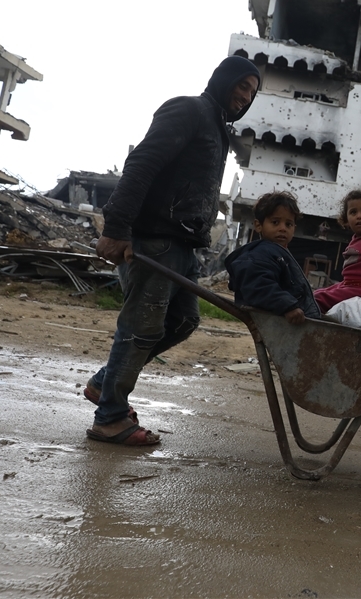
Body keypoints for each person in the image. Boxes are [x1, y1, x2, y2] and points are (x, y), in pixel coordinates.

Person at [85, 56, 261, 446]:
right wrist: (116, 229)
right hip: (155, 240)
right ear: (223, 79)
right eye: (242, 85)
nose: (245, 96)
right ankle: (110, 418)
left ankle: (104, 384)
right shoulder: (189, 109)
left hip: (183, 246)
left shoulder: (217, 127)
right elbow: (142, 163)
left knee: (183, 321)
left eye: (251, 91)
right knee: (141, 328)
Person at [224, 191, 320, 323]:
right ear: (258, 225)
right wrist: (287, 306)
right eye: (275, 222)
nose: (283, 228)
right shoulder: (260, 254)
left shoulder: (280, 254)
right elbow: (259, 285)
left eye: (288, 224)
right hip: (280, 318)